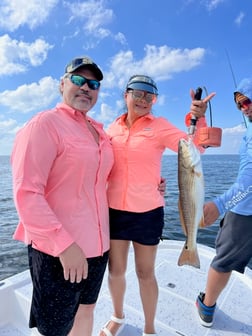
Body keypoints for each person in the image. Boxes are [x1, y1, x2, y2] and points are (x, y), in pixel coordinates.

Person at [100, 75, 215, 336]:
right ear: (125, 95)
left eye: (149, 96)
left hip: (147, 213)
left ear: (154, 101)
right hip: (114, 211)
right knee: (116, 271)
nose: (143, 99)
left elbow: (195, 146)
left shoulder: (159, 126)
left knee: (145, 273)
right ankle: (117, 317)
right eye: (137, 93)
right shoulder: (111, 130)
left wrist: (199, 117)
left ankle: (149, 329)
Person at [11, 56, 114, 336]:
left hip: (98, 247)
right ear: (62, 84)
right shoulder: (44, 124)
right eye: (78, 80)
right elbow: (26, 193)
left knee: (87, 309)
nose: (86, 87)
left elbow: (101, 181)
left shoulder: (99, 132)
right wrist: (64, 246)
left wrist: (155, 185)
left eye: (93, 83)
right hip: (59, 252)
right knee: (55, 328)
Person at [196, 78, 252, 328]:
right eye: (240, 104)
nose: (244, 108)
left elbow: (249, 182)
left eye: (248, 101)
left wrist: (220, 204)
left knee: (223, 260)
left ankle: (206, 307)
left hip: (244, 213)